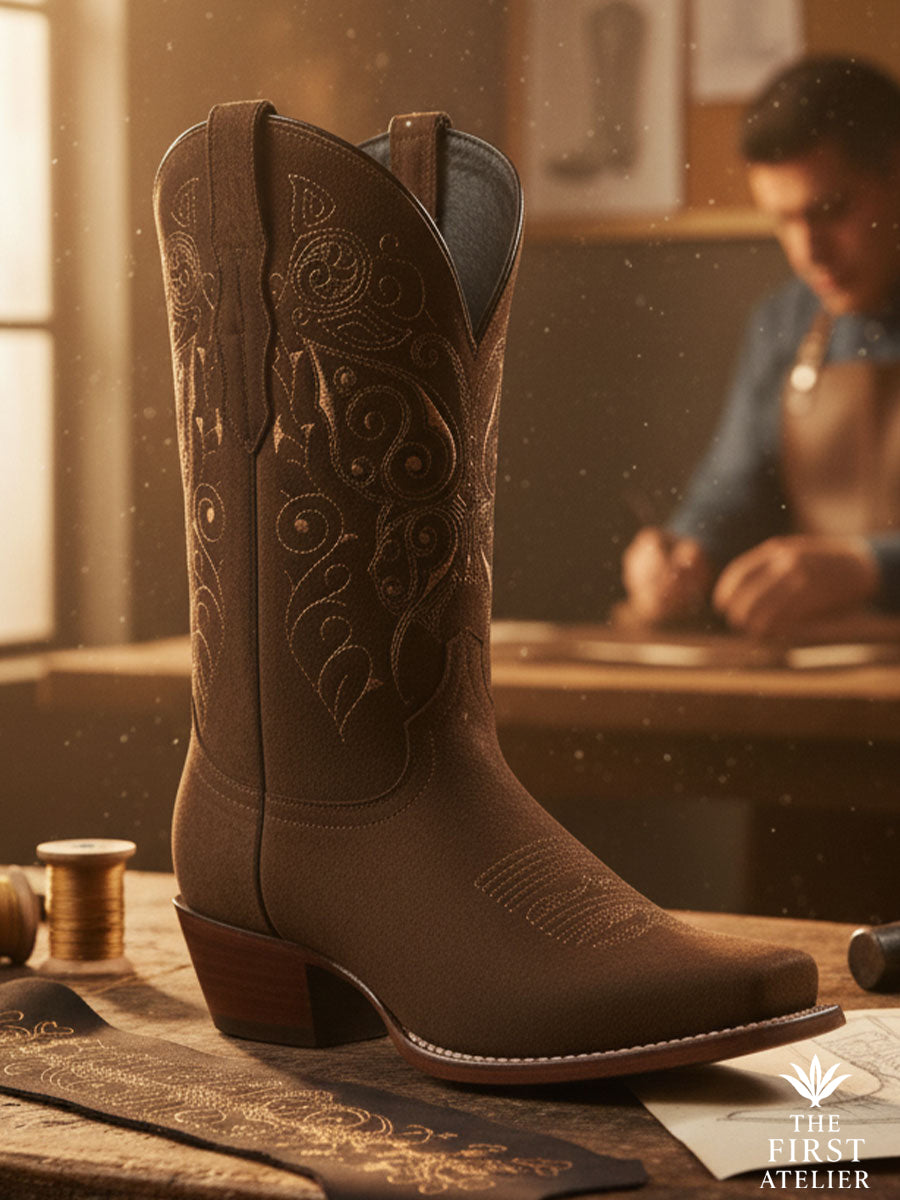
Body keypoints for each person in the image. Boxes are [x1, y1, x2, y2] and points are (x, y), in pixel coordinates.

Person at [622, 55, 900, 637]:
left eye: (830, 210)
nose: (808, 253)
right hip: (825, 676)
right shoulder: (786, 323)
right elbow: (732, 489)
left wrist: (871, 565)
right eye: (784, 221)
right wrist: (684, 553)